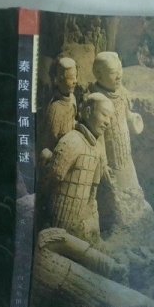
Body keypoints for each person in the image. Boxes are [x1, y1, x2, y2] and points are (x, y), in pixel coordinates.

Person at [91, 51, 153, 236]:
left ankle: (135, 224)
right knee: (116, 196)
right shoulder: (97, 100)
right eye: (113, 72)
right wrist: (103, 162)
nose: (118, 75)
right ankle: (122, 228)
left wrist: (133, 119)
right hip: (111, 158)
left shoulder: (121, 92)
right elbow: (97, 135)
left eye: (120, 69)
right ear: (99, 74)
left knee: (133, 189)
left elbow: (126, 114)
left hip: (125, 153)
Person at [41, 93, 113, 245]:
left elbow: (93, 194)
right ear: (88, 112)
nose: (108, 122)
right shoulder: (72, 141)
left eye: (110, 118)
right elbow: (51, 179)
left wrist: (92, 225)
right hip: (59, 222)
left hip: (80, 225)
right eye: (104, 115)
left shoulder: (97, 149)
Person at [41, 56, 78, 152]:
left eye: (75, 77)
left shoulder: (72, 98)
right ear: (59, 80)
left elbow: (72, 120)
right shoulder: (55, 108)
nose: (75, 81)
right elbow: (49, 142)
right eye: (71, 78)